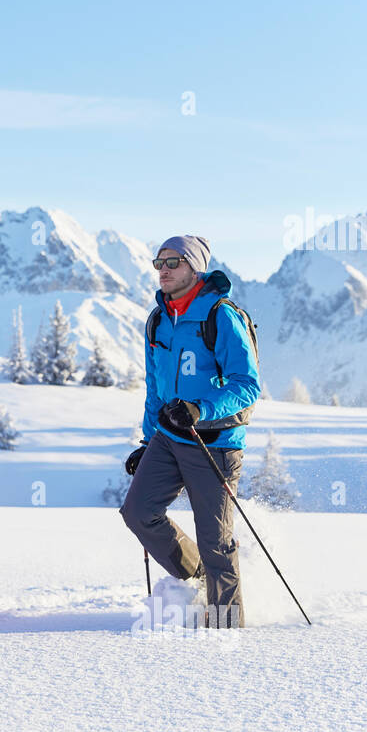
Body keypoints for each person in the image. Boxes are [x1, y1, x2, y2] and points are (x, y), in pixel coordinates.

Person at [119, 236, 261, 627]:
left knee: (216, 541)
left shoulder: (221, 315)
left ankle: (226, 626)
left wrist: (200, 409)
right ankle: (197, 577)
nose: (163, 269)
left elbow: (247, 385)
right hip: (168, 438)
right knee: (138, 513)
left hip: (214, 441)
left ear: (195, 268)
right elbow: (156, 388)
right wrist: (148, 441)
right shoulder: (158, 318)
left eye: (174, 262)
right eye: (159, 262)